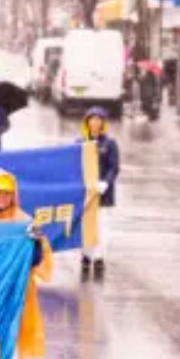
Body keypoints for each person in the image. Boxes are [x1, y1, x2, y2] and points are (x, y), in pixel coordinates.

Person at [0, 169, 52, 359]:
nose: (2, 197)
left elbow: (36, 261)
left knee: (9, 343)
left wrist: (36, 244)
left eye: (7, 193)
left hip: (14, 293)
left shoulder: (24, 223)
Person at [81, 107, 119, 277]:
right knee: (86, 227)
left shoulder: (110, 144)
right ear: (87, 122)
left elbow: (114, 167)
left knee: (102, 226)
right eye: (92, 119)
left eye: (98, 119)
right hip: (86, 193)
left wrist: (106, 183)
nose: (95, 123)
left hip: (104, 194)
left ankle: (99, 258)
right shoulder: (80, 142)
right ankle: (86, 256)